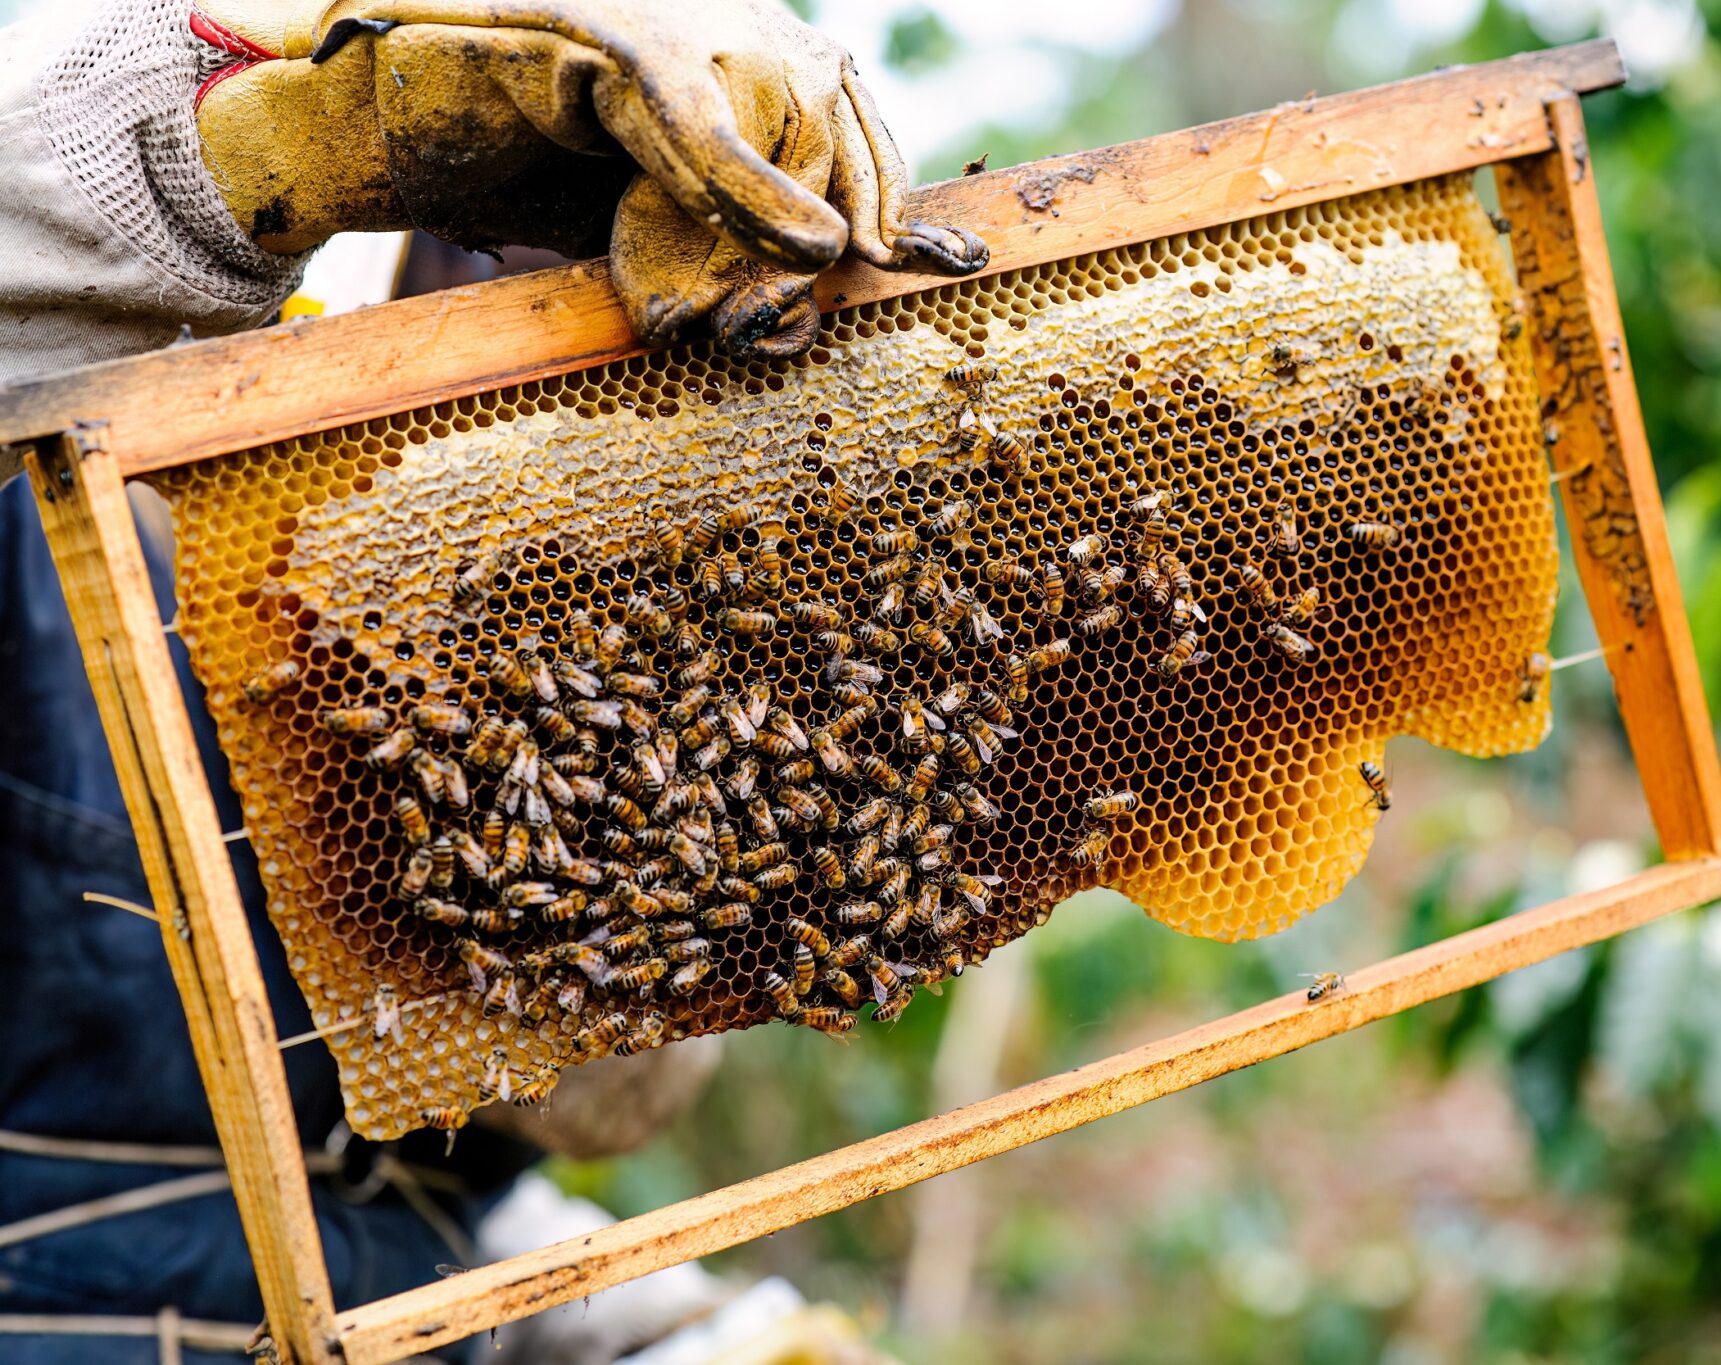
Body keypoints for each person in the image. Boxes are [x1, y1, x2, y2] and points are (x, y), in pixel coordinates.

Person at [0, 2, 985, 1359]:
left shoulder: (634, 646)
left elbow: (434, 1205)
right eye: (512, 246)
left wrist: (672, 1330)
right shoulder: (43, 524)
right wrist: (202, 168)